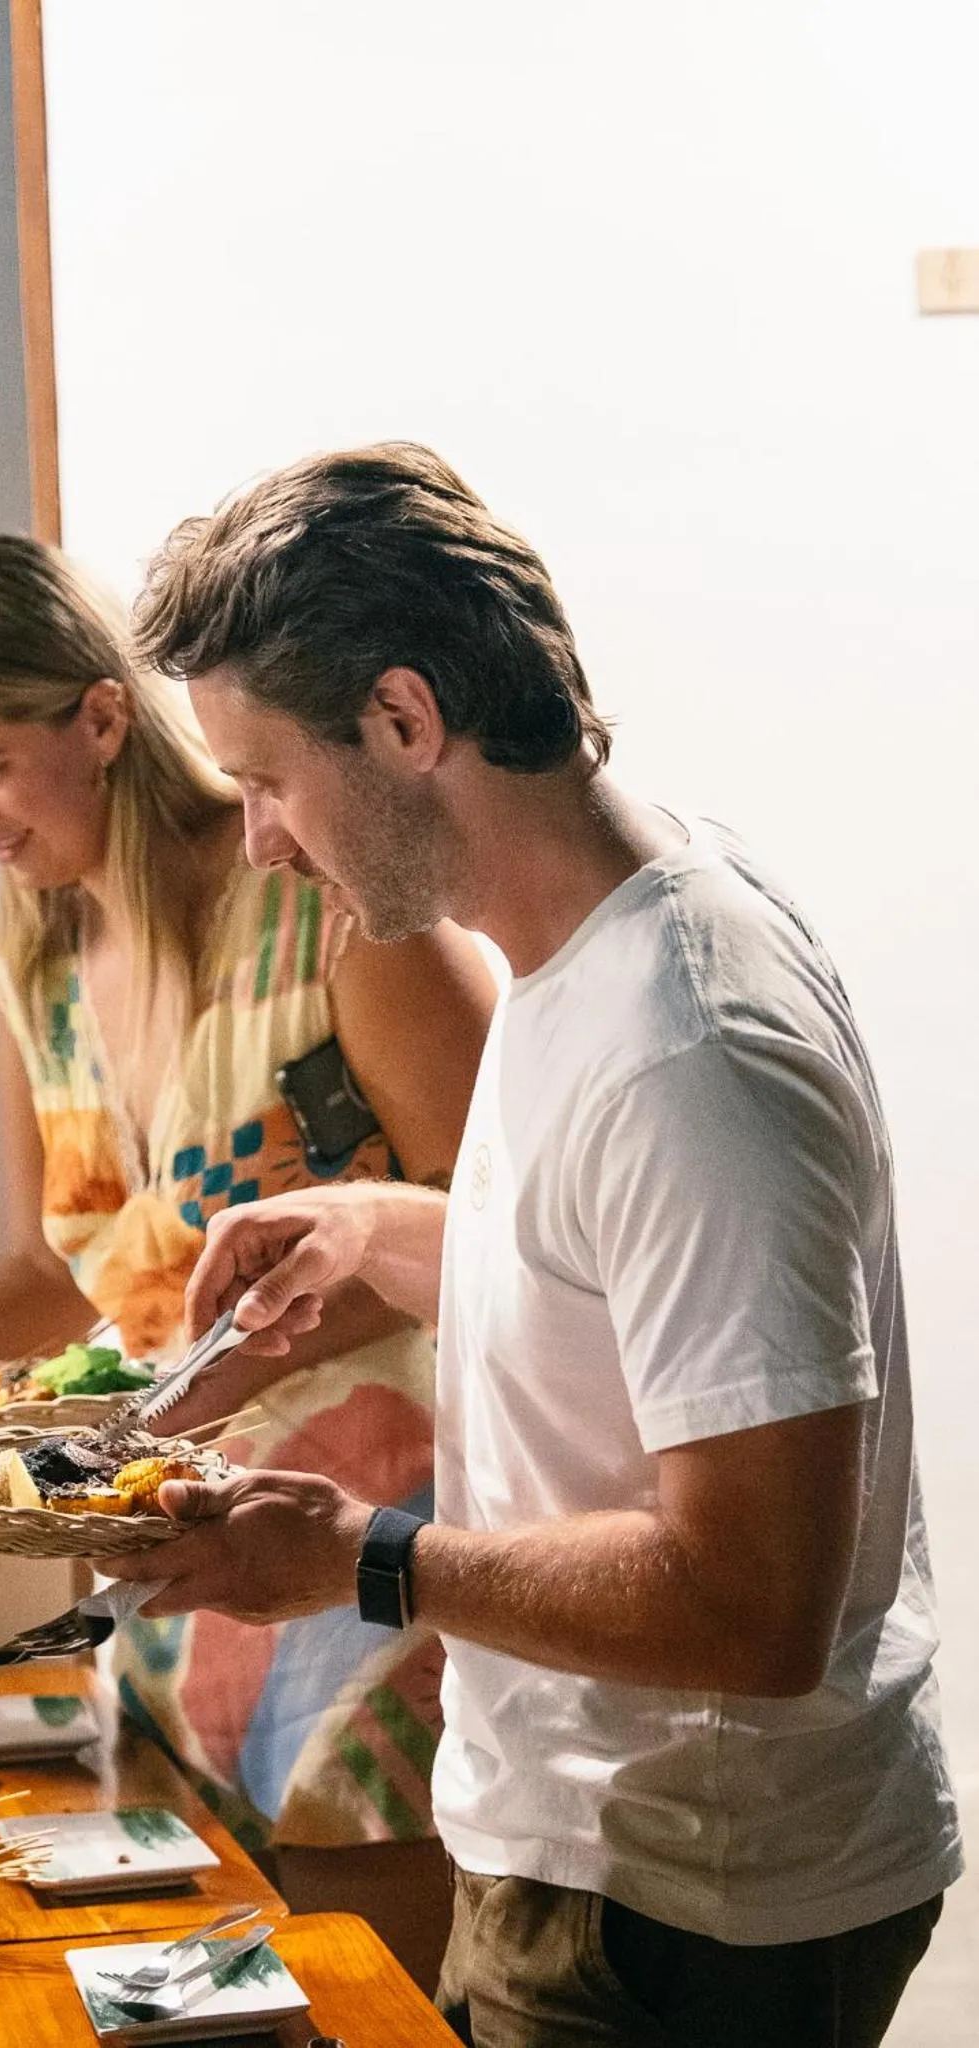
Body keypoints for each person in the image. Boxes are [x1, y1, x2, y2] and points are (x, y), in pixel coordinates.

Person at [106, 442, 963, 2047]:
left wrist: (360, 1555)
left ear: (407, 720)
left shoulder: (688, 1045)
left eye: (268, 780)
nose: (264, 844)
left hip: (682, 1899)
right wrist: (377, 1229)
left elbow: (756, 1601)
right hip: (598, 1855)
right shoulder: (590, 935)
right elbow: (609, 1289)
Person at [0, 534, 495, 1980]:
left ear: (104, 718)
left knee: (366, 1985)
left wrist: (209, 1380)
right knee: (226, 1972)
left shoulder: (326, 899)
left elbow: (506, 1225)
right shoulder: (38, 955)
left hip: (370, 1529)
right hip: (169, 1539)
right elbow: (66, 1270)